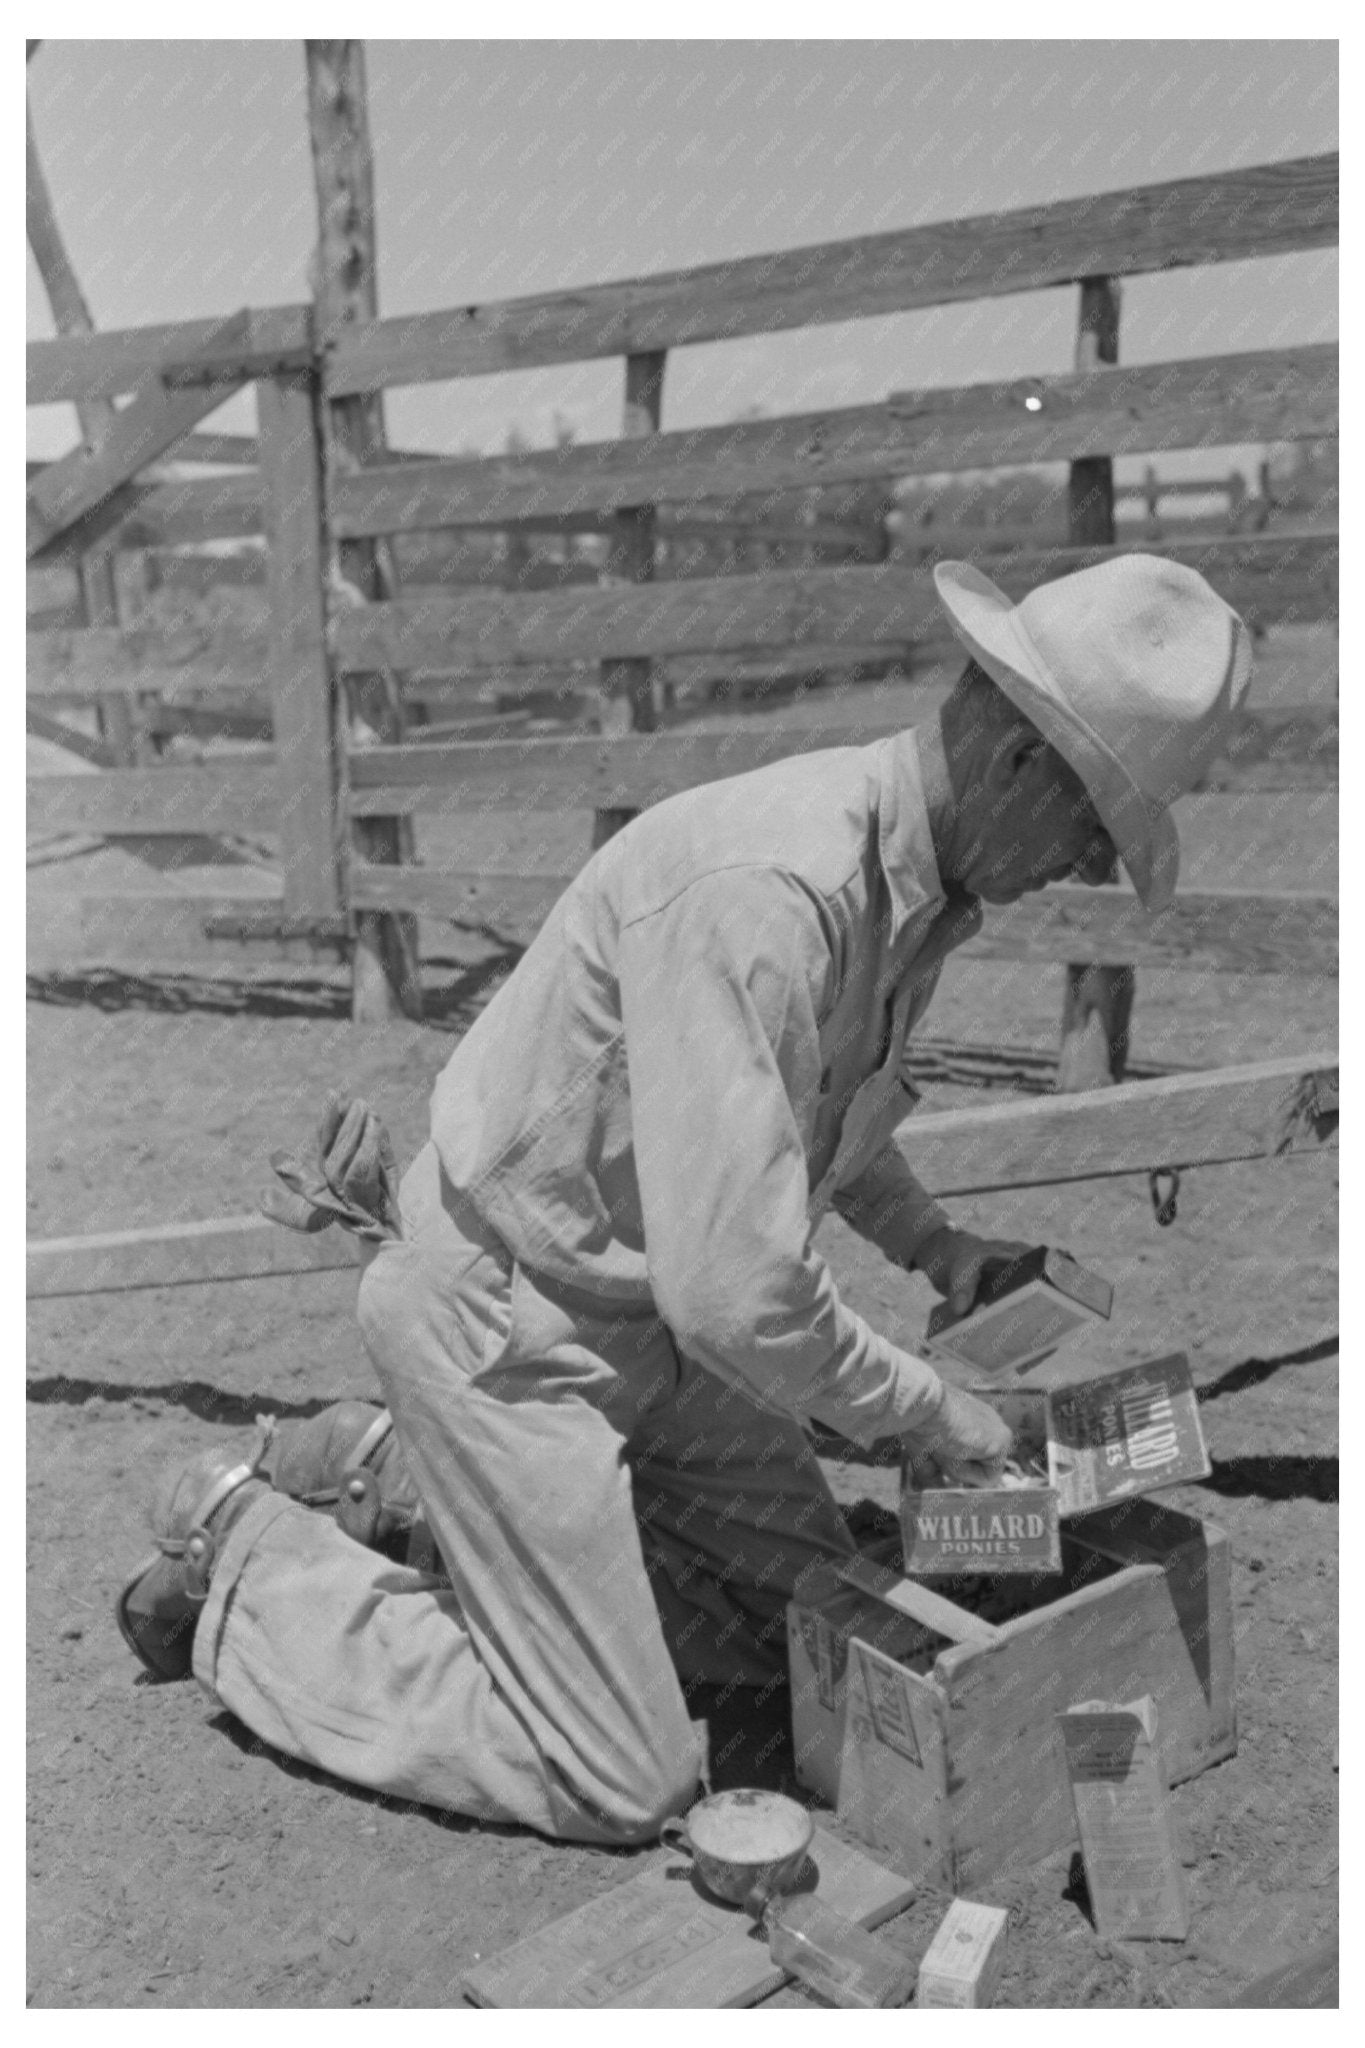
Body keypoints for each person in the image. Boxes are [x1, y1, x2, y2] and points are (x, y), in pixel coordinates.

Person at [116, 553, 1251, 1844]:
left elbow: (796, 1112)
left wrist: (939, 1248)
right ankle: (253, 1558)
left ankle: (392, 1474)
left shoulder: (904, 888)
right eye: (1092, 831)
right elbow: (735, 1294)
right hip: (509, 1322)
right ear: (1013, 768)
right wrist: (934, 1413)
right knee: (624, 1773)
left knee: (814, 1623)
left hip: (643, 1317)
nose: (1088, 868)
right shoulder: (773, 894)